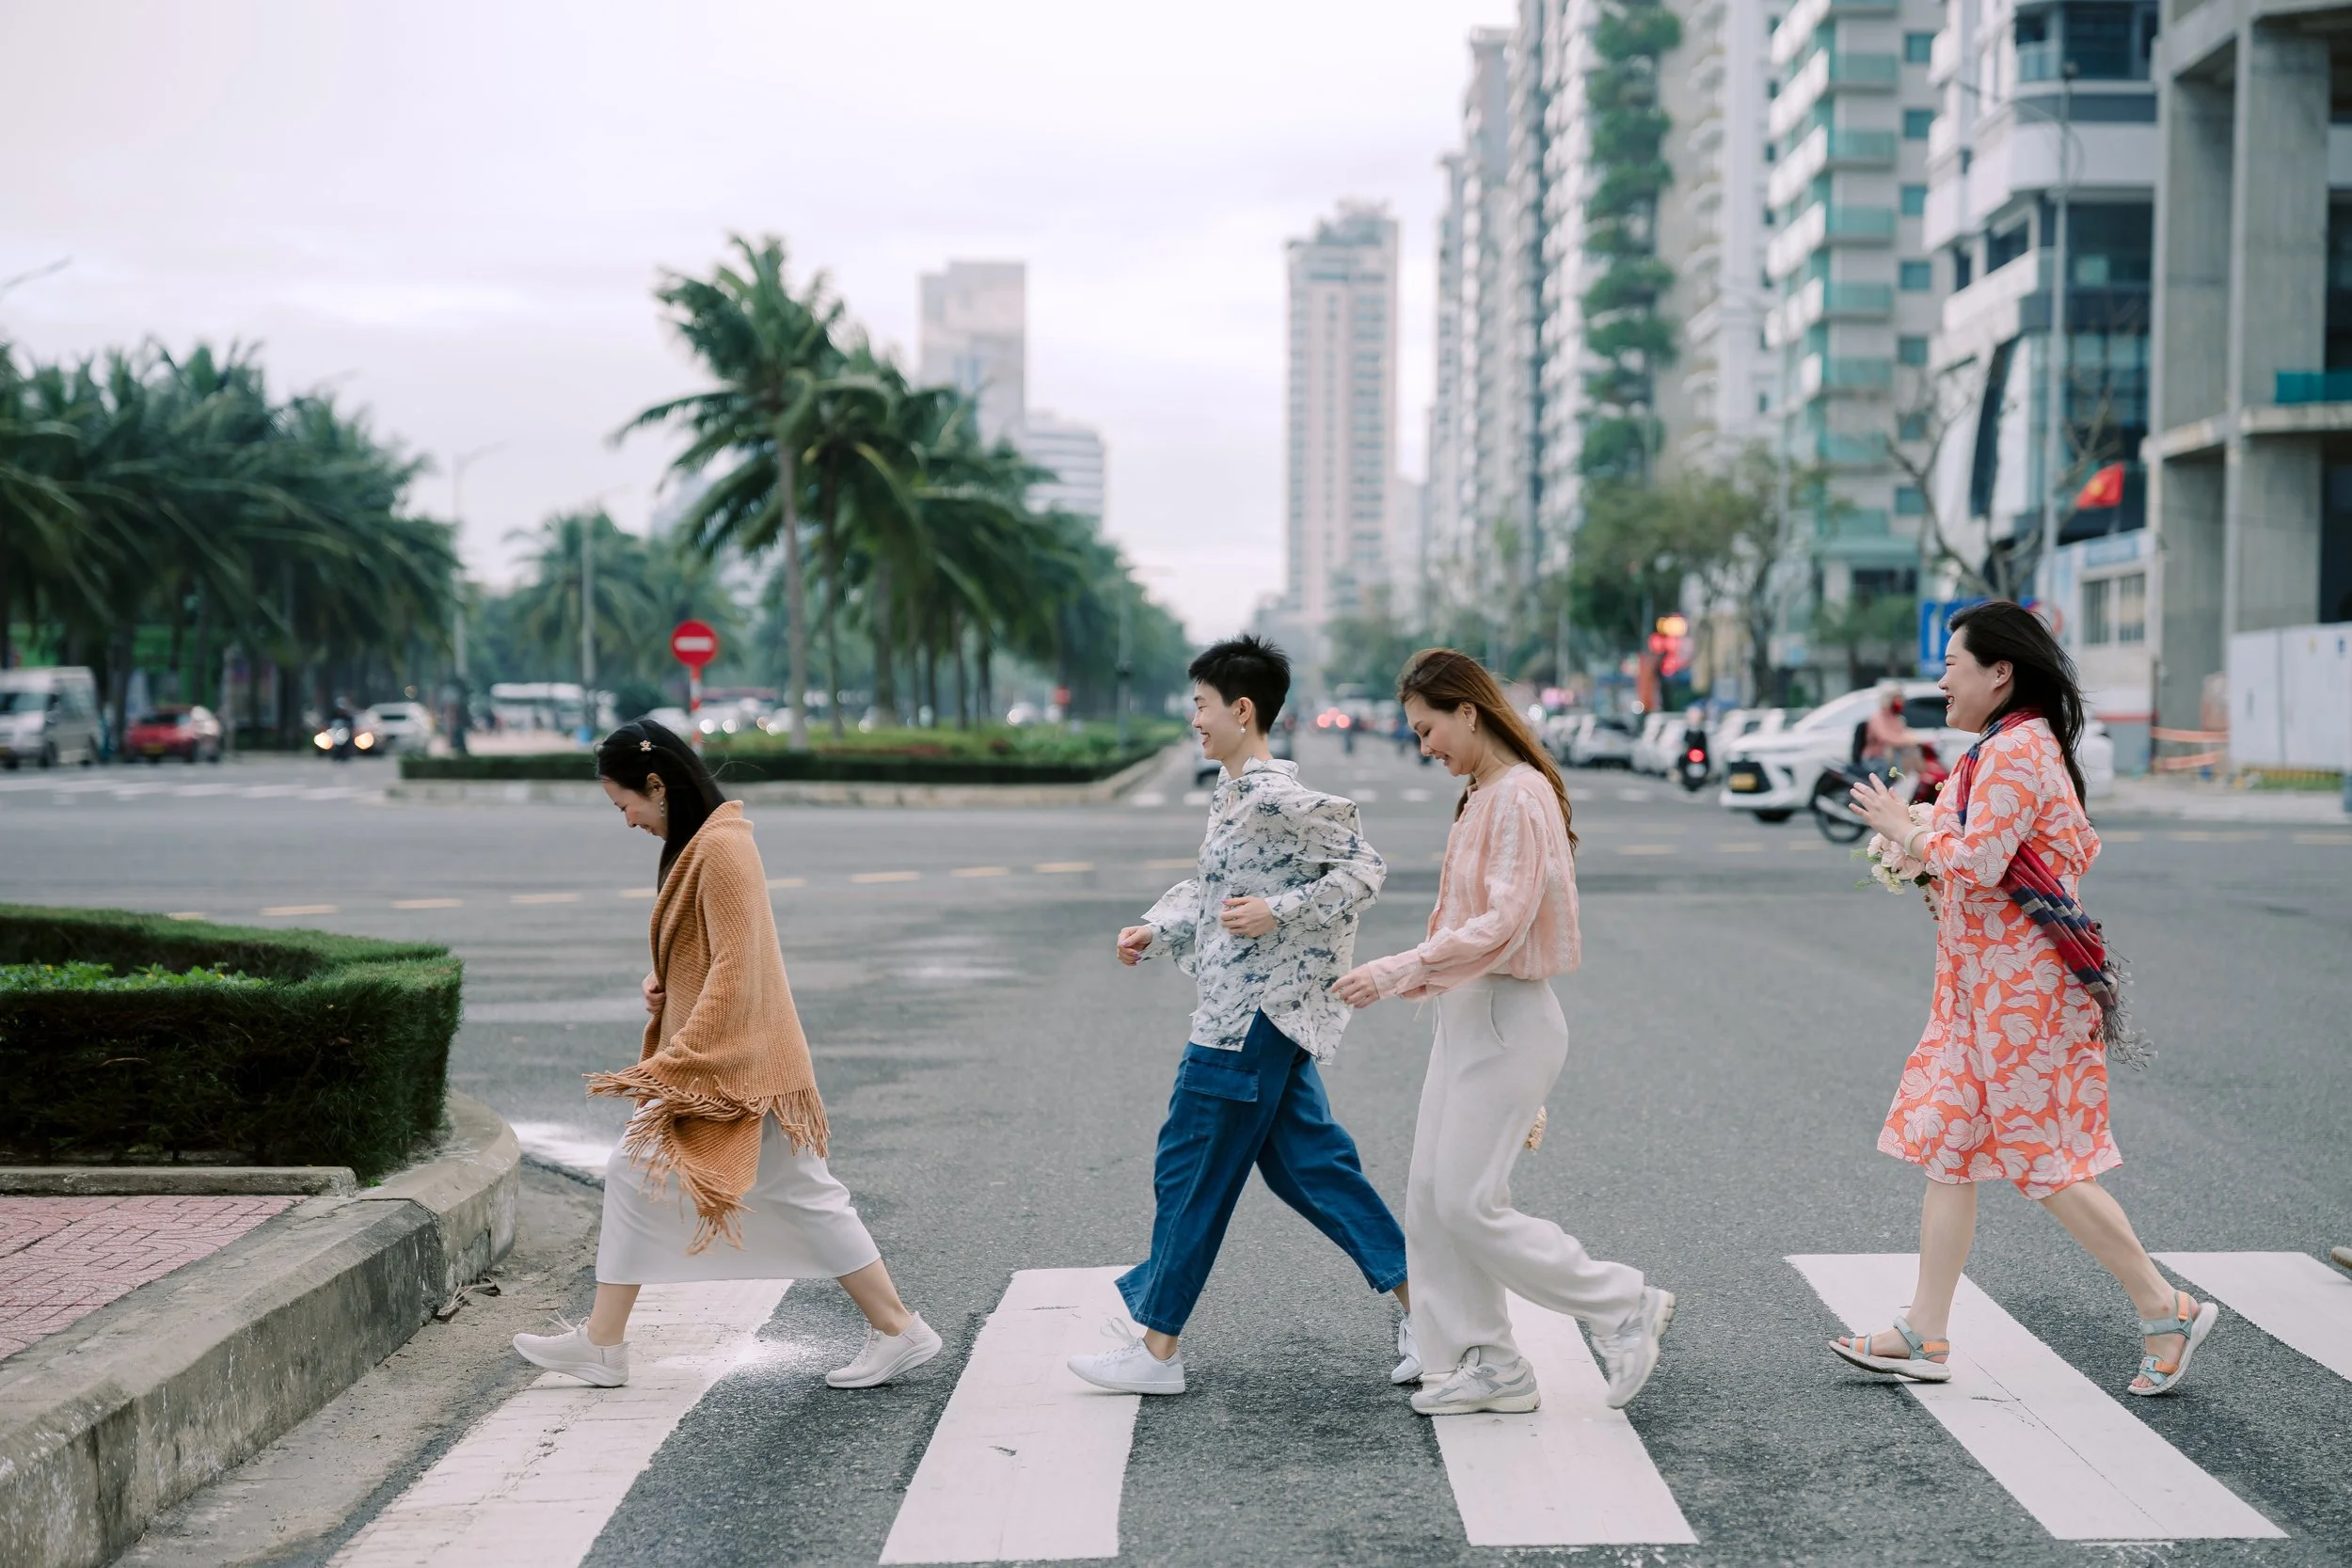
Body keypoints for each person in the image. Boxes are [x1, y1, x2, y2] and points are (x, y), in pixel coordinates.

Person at [1837, 601, 2214, 1396]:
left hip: (2021, 995)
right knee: (1950, 1145)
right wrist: (1920, 849)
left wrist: (1903, 830)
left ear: (1999, 671)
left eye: (1952, 664)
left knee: (2043, 1160)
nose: (1940, 679)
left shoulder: (2015, 752)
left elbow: (1977, 860)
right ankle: (1923, 1333)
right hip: (1984, 990)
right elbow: (1992, 864)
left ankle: (2163, 1304)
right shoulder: (2002, 749)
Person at [513, 719, 940, 1390]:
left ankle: (604, 1343)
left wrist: (677, 1057)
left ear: (656, 785)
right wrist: (666, 985)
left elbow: (737, 972)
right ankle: (897, 1328)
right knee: (804, 1196)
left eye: (624, 804)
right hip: (748, 1060)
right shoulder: (708, 846)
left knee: (644, 1166)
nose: (626, 820)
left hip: (743, 1066)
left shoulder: (723, 848)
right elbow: (713, 959)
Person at [1070, 635, 1416, 1396]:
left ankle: (1156, 1348)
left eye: (1201, 705)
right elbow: (1216, 891)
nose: (1195, 718)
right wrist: (1158, 929)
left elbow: (1365, 866)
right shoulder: (1232, 795)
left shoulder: (1272, 796)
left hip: (1246, 1020)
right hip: (1261, 1014)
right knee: (1312, 1167)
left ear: (1242, 709)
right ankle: (1428, 1307)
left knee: (1189, 1167)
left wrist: (1280, 910)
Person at [1333, 648, 1674, 1418]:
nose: (1424, 747)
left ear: (1468, 711)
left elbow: (1503, 919)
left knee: (1468, 1202)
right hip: (1469, 1018)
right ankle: (1488, 1361)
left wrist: (1395, 970)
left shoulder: (1518, 794)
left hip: (1505, 1015)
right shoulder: (1484, 791)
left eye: (1429, 729)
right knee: (1429, 1199)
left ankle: (1620, 1302)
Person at [1861, 681, 1920, 778]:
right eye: (1897, 699)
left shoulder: (1898, 719)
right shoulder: (1877, 718)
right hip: (1876, 759)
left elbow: (1905, 734)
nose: (1900, 702)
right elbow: (1885, 737)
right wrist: (1907, 740)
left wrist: (1910, 740)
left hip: (1896, 757)